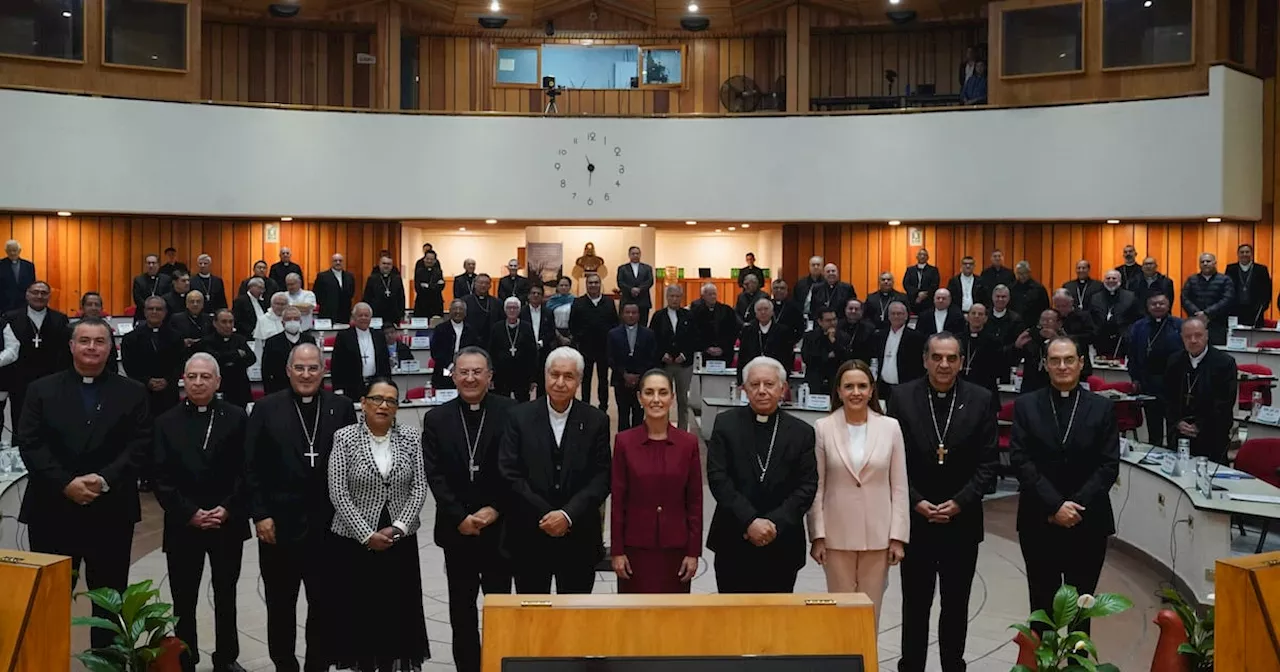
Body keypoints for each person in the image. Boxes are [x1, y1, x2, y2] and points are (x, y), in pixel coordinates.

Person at [17, 318, 150, 649]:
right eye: (85, 341)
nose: (92, 348)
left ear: (111, 348)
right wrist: (66, 483)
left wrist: (104, 479)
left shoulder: (132, 392)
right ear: (71, 346)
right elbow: (30, 443)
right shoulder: (41, 389)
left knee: (110, 601)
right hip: (52, 510)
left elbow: (141, 444)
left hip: (111, 510)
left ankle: (108, 665)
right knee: (51, 597)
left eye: (99, 341)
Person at [887, 335, 999, 672]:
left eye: (951, 358)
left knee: (955, 604)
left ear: (961, 362)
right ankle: (912, 666)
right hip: (916, 520)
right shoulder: (902, 397)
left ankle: (953, 665)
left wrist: (960, 502)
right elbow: (892, 461)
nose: (944, 364)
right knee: (915, 604)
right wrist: (917, 501)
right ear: (925, 360)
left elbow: (988, 463)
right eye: (937, 357)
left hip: (961, 522)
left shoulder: (980, 399)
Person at [246, 342, 358, 672]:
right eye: (300, 368)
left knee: (323, 604)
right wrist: (260, 514)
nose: (306, 375)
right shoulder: (266, 409)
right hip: (278, 527)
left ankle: (317, 666)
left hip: (328, 527)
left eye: (313, 368)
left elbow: (352, 466)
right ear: (288, 371)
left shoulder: (342, 407)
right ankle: (284, 665)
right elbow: (250, 466)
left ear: (323, 370)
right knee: (280, 605)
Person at [1011, 336, 1119, 636]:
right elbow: (1020, 460)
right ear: (1045, 364)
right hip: (1039, 521)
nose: (1062, 366)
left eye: (1069, 359)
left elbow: (1108, 465)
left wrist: (1073, 506)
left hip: (1088, 523)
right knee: (1041, 609)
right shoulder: (1026, 405)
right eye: (1055, 360)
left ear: (1081, 363)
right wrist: (1055, 505)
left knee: (1081, 613)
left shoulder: (1102, 408)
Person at [152, 354, 251, 672]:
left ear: (218, 381)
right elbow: (160, 477)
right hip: (184, 523)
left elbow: (247, 471)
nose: (198, 382)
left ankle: (226, 657)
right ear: (183, 379)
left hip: (227, 520)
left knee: (226, 593)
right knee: (184, 597)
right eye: (192, 376)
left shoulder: (237, 418)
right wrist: (190, 512)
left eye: (205, 376)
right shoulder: (165, 422)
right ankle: (186, 658)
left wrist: (228, 508)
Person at [422, 347, 515, 672]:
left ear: (490, 377)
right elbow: (434, 474)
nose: (470, 378)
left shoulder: (510, 412)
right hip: (456, 530)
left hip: (499, 531)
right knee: (461, 611)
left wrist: (496, 509)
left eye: (478, 372)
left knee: (499, 608)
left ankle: (497, 664)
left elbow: (516, 468)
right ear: (454, 374)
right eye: (464, 372)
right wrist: (459, 515)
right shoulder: (437, 418)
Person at [327, 378, 430, 671]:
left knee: (397, 608)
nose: (384, 405)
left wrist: (398, 527)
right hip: (355, 540)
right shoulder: (344, 437)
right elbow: (338, 491)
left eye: (391, 401)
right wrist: (365, 534)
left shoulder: (411, 436)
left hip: (399, 538)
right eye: (377, 399)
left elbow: (420, 488)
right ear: (363, 402)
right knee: (361, 609)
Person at [498, 347, 611, 593]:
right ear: (545, 375)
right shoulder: (519, 417)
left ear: (580, 380)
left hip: (579, 535)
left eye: (568, 376)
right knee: (534, 619)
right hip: (530, 533)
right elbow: (509, 473)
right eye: (554, 374)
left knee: (574, 621)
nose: (560, 382)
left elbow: (601, 477)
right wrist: (548, 515)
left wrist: (567, 515)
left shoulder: (596, 420)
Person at [808, 359, 908, 622]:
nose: (856, 392)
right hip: (836, 535)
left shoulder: (890, 428)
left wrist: (897, 536)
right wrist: (817, 535)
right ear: (839, 391)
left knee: (869, 613)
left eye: (862, 386)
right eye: (849, 386)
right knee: (839, 613)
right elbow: (817, 486)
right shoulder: (823, 428)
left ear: (872, 390)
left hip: (878, 535)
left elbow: (899, 487)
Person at [707, 356, 817, 593]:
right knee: (733, 622)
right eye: (754, 385)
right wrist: (750, 521)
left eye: (769, 384)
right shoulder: (725, 424)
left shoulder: (802, 432)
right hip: (733, 539)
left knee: (775, 625)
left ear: (783, 389)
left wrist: (773, 523)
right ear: (744, 389)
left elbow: (807, 486)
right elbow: (718, 478)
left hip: (783, 541)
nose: (762, 391)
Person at [611, 368, 703, 593]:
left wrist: (693, 552)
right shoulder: (624, 442)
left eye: (663, 393)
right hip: (635, 548)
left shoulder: (687, 444)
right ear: (640, 398)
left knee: (673, 621)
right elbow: (618, 501)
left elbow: (694, 502)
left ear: (672, 398)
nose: (656, 399)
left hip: (676, 547)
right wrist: (617, 551)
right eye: (649, 392)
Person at [1164, 317, 1238, 463]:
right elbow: (1168, 397)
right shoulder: (1175, 361)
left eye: (1198, 335)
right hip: (1180, 433)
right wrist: (1177, 422)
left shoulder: (1224, 363)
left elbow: (1224, 402)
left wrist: (1200, 426)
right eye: (1188, 336)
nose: (1193, 340)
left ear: (1207, 335)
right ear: (1182, 338)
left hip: (1212, 434)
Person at [2, 282, 71, 426]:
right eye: (35, 292)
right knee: (20, 419)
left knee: (50, 420)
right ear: (27, 294)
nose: (39, 296)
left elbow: (64, 353)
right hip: (19, 380)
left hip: (51, 378)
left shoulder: (60, 319)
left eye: (44, 293)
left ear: (49, 296)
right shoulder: (11, 318)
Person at [1126, 294, 1183, 447]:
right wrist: (1135, 378)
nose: (1157, 307)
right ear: (1148, 306)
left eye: (1161, 304)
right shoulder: (1139, 326)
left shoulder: (1178, 325)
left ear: (1169, 305)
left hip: (1174, 384)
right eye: (1153, 304)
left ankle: (1173, 453)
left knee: (1174, 423)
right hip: (1148, 382)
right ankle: (1155, 452)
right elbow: (1132, 354)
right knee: (1153, 424)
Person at [121, 296, 184, 420]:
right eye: (151, 309)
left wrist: (167, 380)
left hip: (168, 393)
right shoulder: (131, 338)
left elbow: (180, 363)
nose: (154, 312)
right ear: (144, 312)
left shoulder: (176, 337)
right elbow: (129, 365)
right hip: (142, 392)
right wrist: (147, 381)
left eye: (158, 309)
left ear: (165, 312)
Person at [650, 285, 697, 431]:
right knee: (663, 397)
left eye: (677, 296)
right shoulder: (658, 316)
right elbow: (652, 339)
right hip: (665, 364)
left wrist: (684, 355)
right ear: (667, 297)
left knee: (683, 399)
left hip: (684, 365)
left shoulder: (689, 315)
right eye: (672, 296)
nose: (675, 299)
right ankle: (663, 427)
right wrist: (662, 354)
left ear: (681, 298)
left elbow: (694, 338)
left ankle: (682, 429)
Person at [570, 273, 619, 411]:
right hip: (586, 348)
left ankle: (603, 407)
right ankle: (585, 407)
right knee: (586, 380)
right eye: (590, 283)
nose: (593, 285)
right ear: (586, 285)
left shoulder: (609, 302)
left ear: (600, 284)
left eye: (596, 282)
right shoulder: (578, 302)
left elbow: (615, 323)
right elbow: (572, 325)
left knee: (603, 380)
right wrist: (579, 338)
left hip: (604, 348)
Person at [608, 303, 658, 431]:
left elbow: (652, 357)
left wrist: (639, 376)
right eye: (627, 312)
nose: (631, 315)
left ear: (639, 315)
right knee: (623, 415)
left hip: (641, 381)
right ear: (622, 314)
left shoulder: (648, 334)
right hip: (621, 380)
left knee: (638, 414)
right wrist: (624, 374)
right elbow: (610, 357)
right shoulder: (613, 334)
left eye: (634, 312)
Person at [197, 309, 258, 408]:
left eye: (231, 322)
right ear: (215, 323)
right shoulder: (207, 341)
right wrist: (236, 354)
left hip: (240, 388)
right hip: (219, 388)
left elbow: (251, 358)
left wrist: (225, 357)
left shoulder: (240, 339)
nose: (228, 325)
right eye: (224, 322)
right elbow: (214, 359)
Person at [332, 302, 391, 400]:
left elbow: (385, 363)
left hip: (375, 385)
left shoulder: (379, 336)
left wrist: (387, 384)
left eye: (366, 315)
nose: (363, 318)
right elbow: (337, 365)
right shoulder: (344, 336)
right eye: (360, 315)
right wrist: (338, 389)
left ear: (370, 318)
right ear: (354, 318)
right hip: (351, 387)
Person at [872, 301, 926, 401]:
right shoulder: (880, 336)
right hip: (883, 386)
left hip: (906, 387)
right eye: (893, 313)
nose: (896, 316)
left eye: (900, 313)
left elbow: (920, 365)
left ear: (906, 316)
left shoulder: (916, 337)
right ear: (888, 316)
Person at [489, 297, 539, 402]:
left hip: (522, 374)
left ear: (519, 310)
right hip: (501, 374)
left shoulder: (526, 327)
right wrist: (491, 376)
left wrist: (533, 378)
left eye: (515, 308)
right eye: (509, 308)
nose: (512, 310)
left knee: (522, 405)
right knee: (500, 404)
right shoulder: (497, 328)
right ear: (505, 309)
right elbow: (491, 352)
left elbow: (532, 353)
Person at [737, 297, 796, 384]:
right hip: (753, 374)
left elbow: (787, 358)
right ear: (756, 313)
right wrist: (740, 381)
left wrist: (784, 380)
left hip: (775, 375)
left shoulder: (783, 331)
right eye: (759, 310)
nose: (763, 312)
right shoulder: (748, 330)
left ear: (772, 312)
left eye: (766, 309)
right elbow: (742, 357)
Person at [1182, 252, 1235, 346]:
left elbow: (1227, 299)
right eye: (1202, 262)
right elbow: (1184, 298)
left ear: (1215, 263)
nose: (1205, 263)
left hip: (1217, 324)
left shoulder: (1225, 280)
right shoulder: (1191, 279)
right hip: (1195, 324)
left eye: (1208, 261)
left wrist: (1207, 313)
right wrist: (1197, 314)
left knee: (1217, 354)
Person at [262, 307, 317, 395]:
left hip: (304, 385)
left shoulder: (309, 340)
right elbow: (266, 370)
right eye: (288, 319)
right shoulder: (272, 342)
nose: (292, 321)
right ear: (282, 322)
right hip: (279, 389)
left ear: (300, 321)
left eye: (296, 319)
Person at [1089, 269, 1139, 359]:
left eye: (1114, 278)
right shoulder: (1095, 298)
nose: (1111, 281)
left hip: (1122, 341)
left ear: (1120, 281)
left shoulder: (1130, 297)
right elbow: (1092, 318)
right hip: (1101, 340)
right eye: (1108, 278)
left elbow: (1135, 319)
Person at [958, 303, 1002, 404]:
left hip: (985, 388)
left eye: (980, 314)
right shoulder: (958, 339)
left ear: (986, 319)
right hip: (962, 389)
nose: (976, 316)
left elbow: (998, 368)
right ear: (967, 317)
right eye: (973, 313)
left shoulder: (994, 342)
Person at [431, 299, 480, 390]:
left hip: (465, 371)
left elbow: (474, 351)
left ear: (465, 312)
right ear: (450, 311)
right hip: (444, 370)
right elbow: (435, 352)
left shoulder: (471, 330)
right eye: (455, 309)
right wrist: (451, 366)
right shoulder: (440, 329)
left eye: (460, 309)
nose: (458, 312)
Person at [690, 283, 739, 365]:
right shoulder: (695, 312)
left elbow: (733, 332)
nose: (713, 297)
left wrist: (722, 348)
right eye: (710, 294)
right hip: (704, 354)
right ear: (703, 296)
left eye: (714, 294)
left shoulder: (727, 310)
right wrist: (706, 348)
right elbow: (693, 333)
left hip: (724, 354)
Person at [802, 308, 849, 393]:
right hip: (815, 381)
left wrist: (833, 341)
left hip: (835, 381)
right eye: (828, 320)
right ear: (820, 322)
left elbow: (844, 358)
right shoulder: (810, 336)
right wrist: (828, 356)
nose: (832, 323)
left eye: (834, 319)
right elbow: (807, 358)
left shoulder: (844, 337)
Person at [521, 284, 557, 393]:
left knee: (543, 383)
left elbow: (551, 331)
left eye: (539, 294)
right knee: (524, 384)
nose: (536, 295)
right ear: (528, 296)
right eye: (533, 293)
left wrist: (541, 343)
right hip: (525, 352)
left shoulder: (548, 312)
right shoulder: (522, 312)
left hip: (543, 351)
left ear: (542, 296)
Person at [1226, 243, 1272, 327]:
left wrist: (1262, 307)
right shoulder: (1231, 269)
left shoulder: (1261, 269)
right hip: (1235, 310)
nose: (1244, 254)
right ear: (1238, 254)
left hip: (1255, 310)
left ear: (1251, 254)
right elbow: (1227, 289)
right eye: (1242, 252)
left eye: (1247, 252)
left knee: (1255, 337)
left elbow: (1267, 290)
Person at [78, 292, 119, 373]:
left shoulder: (106, 329)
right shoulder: (71, 329)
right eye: (89, 304)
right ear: (82, 308)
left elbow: (112, 358)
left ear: (101, 308)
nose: (94, 308)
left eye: (97, 305)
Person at [363, 255, 406, 326]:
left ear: (392, 266)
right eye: (384, 263)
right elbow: (367, 298)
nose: (386, 266)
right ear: (379, 265)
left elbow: (401, 297)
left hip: (393, 315)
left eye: (389, 264)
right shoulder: (372, 279)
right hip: (376, 315)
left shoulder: (397, 279)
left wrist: (401, 314)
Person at [313, 253, 356, 324]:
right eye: (335, 261)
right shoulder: (322, 276)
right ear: (331, 262)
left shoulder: (349, 276)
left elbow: (351, 293)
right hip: (327, 312)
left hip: (344, 313)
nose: (338, 262)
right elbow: (317, 293)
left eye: (340, 261)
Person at [617, 246, 655, 325]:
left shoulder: (647, 268)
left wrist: (639, 289)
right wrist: (631, 289)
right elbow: (620, 282)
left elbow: (650, 281)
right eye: (633, 254)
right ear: (629, 255)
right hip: (627, 300)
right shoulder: (622, 268)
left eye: (637, 253)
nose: (635, 255)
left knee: (643, 325)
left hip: (643, 301)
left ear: (640, 255)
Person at [170, 289, 213, 355]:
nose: (195, 304)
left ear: (203, 304)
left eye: (198, 301)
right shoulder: (176, 319)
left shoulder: (209, 319)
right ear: (187, 304)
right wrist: (182, 342)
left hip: (204, 353)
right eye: (192, 301)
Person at [463, 273, 502, 343]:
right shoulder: (465, 301)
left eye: (486, 283)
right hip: (469, 339)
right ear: (474, 284)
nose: (483, 285)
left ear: (490, 286)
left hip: (490, 339)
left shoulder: (497, 302)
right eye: (481, 283)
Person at [0, 239, 36, 314]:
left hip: (24, 303)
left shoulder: (29, 266)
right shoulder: (1, 264)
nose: (12, 253)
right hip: (4, 304)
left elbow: (32, 285)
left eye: (14, 250)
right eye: (9, 250)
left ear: (19, 251)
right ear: (6, 251)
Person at [132, 253, 173, 317]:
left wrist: (157, 306)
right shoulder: (139, 280)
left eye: (153, 263)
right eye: (148, 263)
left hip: (162, 314)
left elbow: (168, 295)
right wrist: (149, 308)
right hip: (143, 314)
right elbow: (137, 298)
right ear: (145, 265)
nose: (151, 265)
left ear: (158, 265)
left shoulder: (166, 279)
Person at [903, 249, 940, 316]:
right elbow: (906, 284)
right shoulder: (910, 270)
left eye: (924, 255)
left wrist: (924, 294)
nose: (922, 256)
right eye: (920, 254)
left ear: (928, 257)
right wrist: (917, 294)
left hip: (928, 301)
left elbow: (935, 285)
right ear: (917, 257)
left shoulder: (933, 270)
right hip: (912, 300)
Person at [838, 299, 877, 363]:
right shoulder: (838, 326)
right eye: (850, 308)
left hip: (861, 363)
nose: (853, 311)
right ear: (845, 310)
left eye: (856, 309)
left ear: (862, 311)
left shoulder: (870, 328)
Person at [412, 247, 445, 319]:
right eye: (427, 259)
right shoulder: (419, 272)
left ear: (435, 261)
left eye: (431, 259)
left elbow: (441, 287)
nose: (429, 261)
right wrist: (434, 286)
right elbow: (418, 288)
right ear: (424, 259)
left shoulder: (438, 272)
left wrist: (428, 286)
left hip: (436, 305)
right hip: (422, 305)